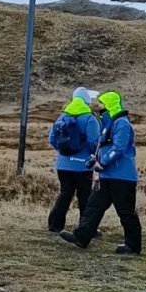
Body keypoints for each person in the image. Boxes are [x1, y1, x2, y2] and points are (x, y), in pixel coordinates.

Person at [62, 90, 141, 255]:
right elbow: (103, 146)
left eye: (101, 103)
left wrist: (102, 163)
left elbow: (118, 148)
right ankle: (81, 237)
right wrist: (95, 160)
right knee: (93, 206)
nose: (98, 106)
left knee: (126, 212)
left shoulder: (121, 124)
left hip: (122, 177)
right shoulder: (109, 123)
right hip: (107, 176)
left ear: (109, 105)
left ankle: (133, 246)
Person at [46, 89, 100, 234]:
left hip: (63, 165)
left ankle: (55, 225)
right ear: (86, 101)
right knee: (84, 196)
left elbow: (52, 138)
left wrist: (63, 152)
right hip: (83, 165)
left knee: (65, 193)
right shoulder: (90, 119)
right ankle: (85, 227)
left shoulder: (62, 116)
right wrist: (92, 154)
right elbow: (94, 143)